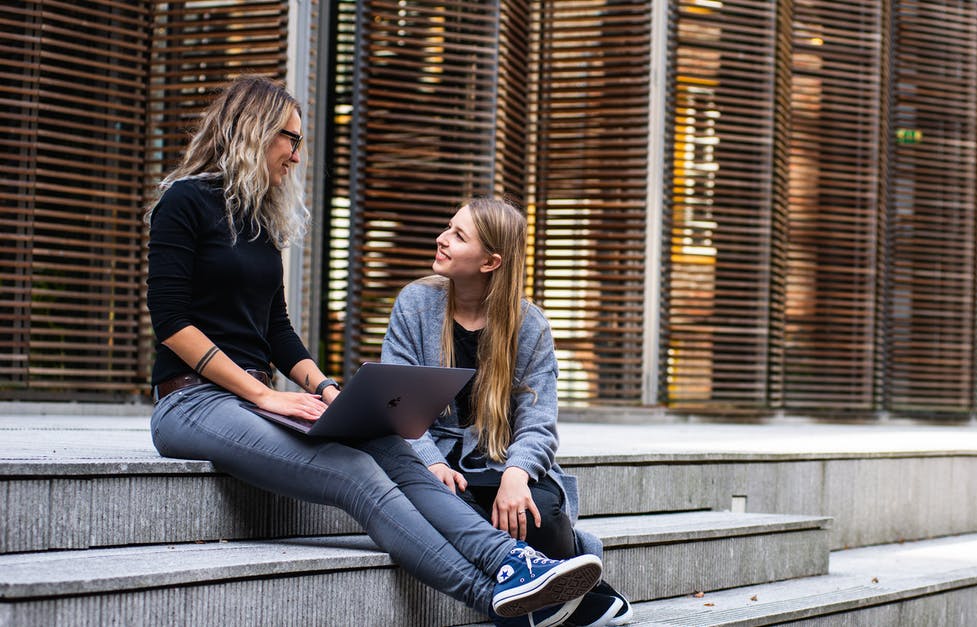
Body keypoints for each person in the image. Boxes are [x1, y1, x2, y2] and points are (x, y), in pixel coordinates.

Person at [145, 75, 601, 627]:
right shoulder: (185, 201)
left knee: (394, 449)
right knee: (355, 472)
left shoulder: (260, 221)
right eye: (290, 137)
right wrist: (268, 395)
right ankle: (496, 600)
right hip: (192, 403)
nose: (296, 152)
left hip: (251, 398)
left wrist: (326, 389)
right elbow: (172, 323)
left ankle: (513, 561)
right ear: (254, 130)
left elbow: (277, 329)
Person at [381, 197, 632, 626]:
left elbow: (538, 421)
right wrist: (431, 462)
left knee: (538, 513)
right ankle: (587, 599)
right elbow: (396, 400)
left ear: (490, 261)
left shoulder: (529, 323)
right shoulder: (415, 303)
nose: (441, 239)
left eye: (458, 236)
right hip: (436, 460)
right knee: (446, 506)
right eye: (448, 227)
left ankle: (550, 598)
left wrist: (517, 474)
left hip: (499, 461)